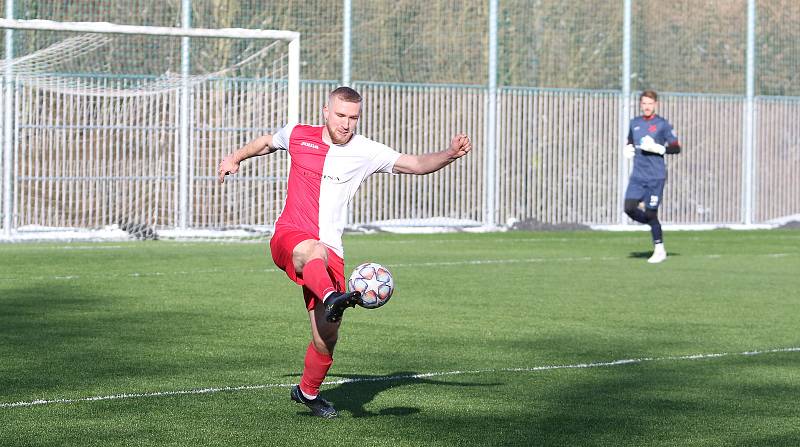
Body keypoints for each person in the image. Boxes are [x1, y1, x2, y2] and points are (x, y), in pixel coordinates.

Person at [217, 86, 472, 418]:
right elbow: (266, 142)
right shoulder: (298, 135)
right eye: (340, 115)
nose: (347, 123)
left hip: (331, 253)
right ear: (326, 111)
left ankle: (307, 392)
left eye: (354, 117)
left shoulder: (366, 151)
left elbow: (415, 164)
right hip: (291, 236)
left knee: (327, 338)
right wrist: (235, 158)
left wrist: (449, 153)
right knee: (313, 251)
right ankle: (330, 296)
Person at [623, 90, 681, 263]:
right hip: (638, 176)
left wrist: (660, 148)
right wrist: (628, 148)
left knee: (650, 211)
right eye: (644, 103)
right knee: (629, 208)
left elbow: (676, 147)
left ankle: (659, 248)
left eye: (650, 103)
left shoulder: (662, 124)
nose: (647, 107)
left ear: (655, 104)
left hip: (656, 177)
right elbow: (630, 142)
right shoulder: (635, 123)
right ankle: (652, 223)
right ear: (641, 105)